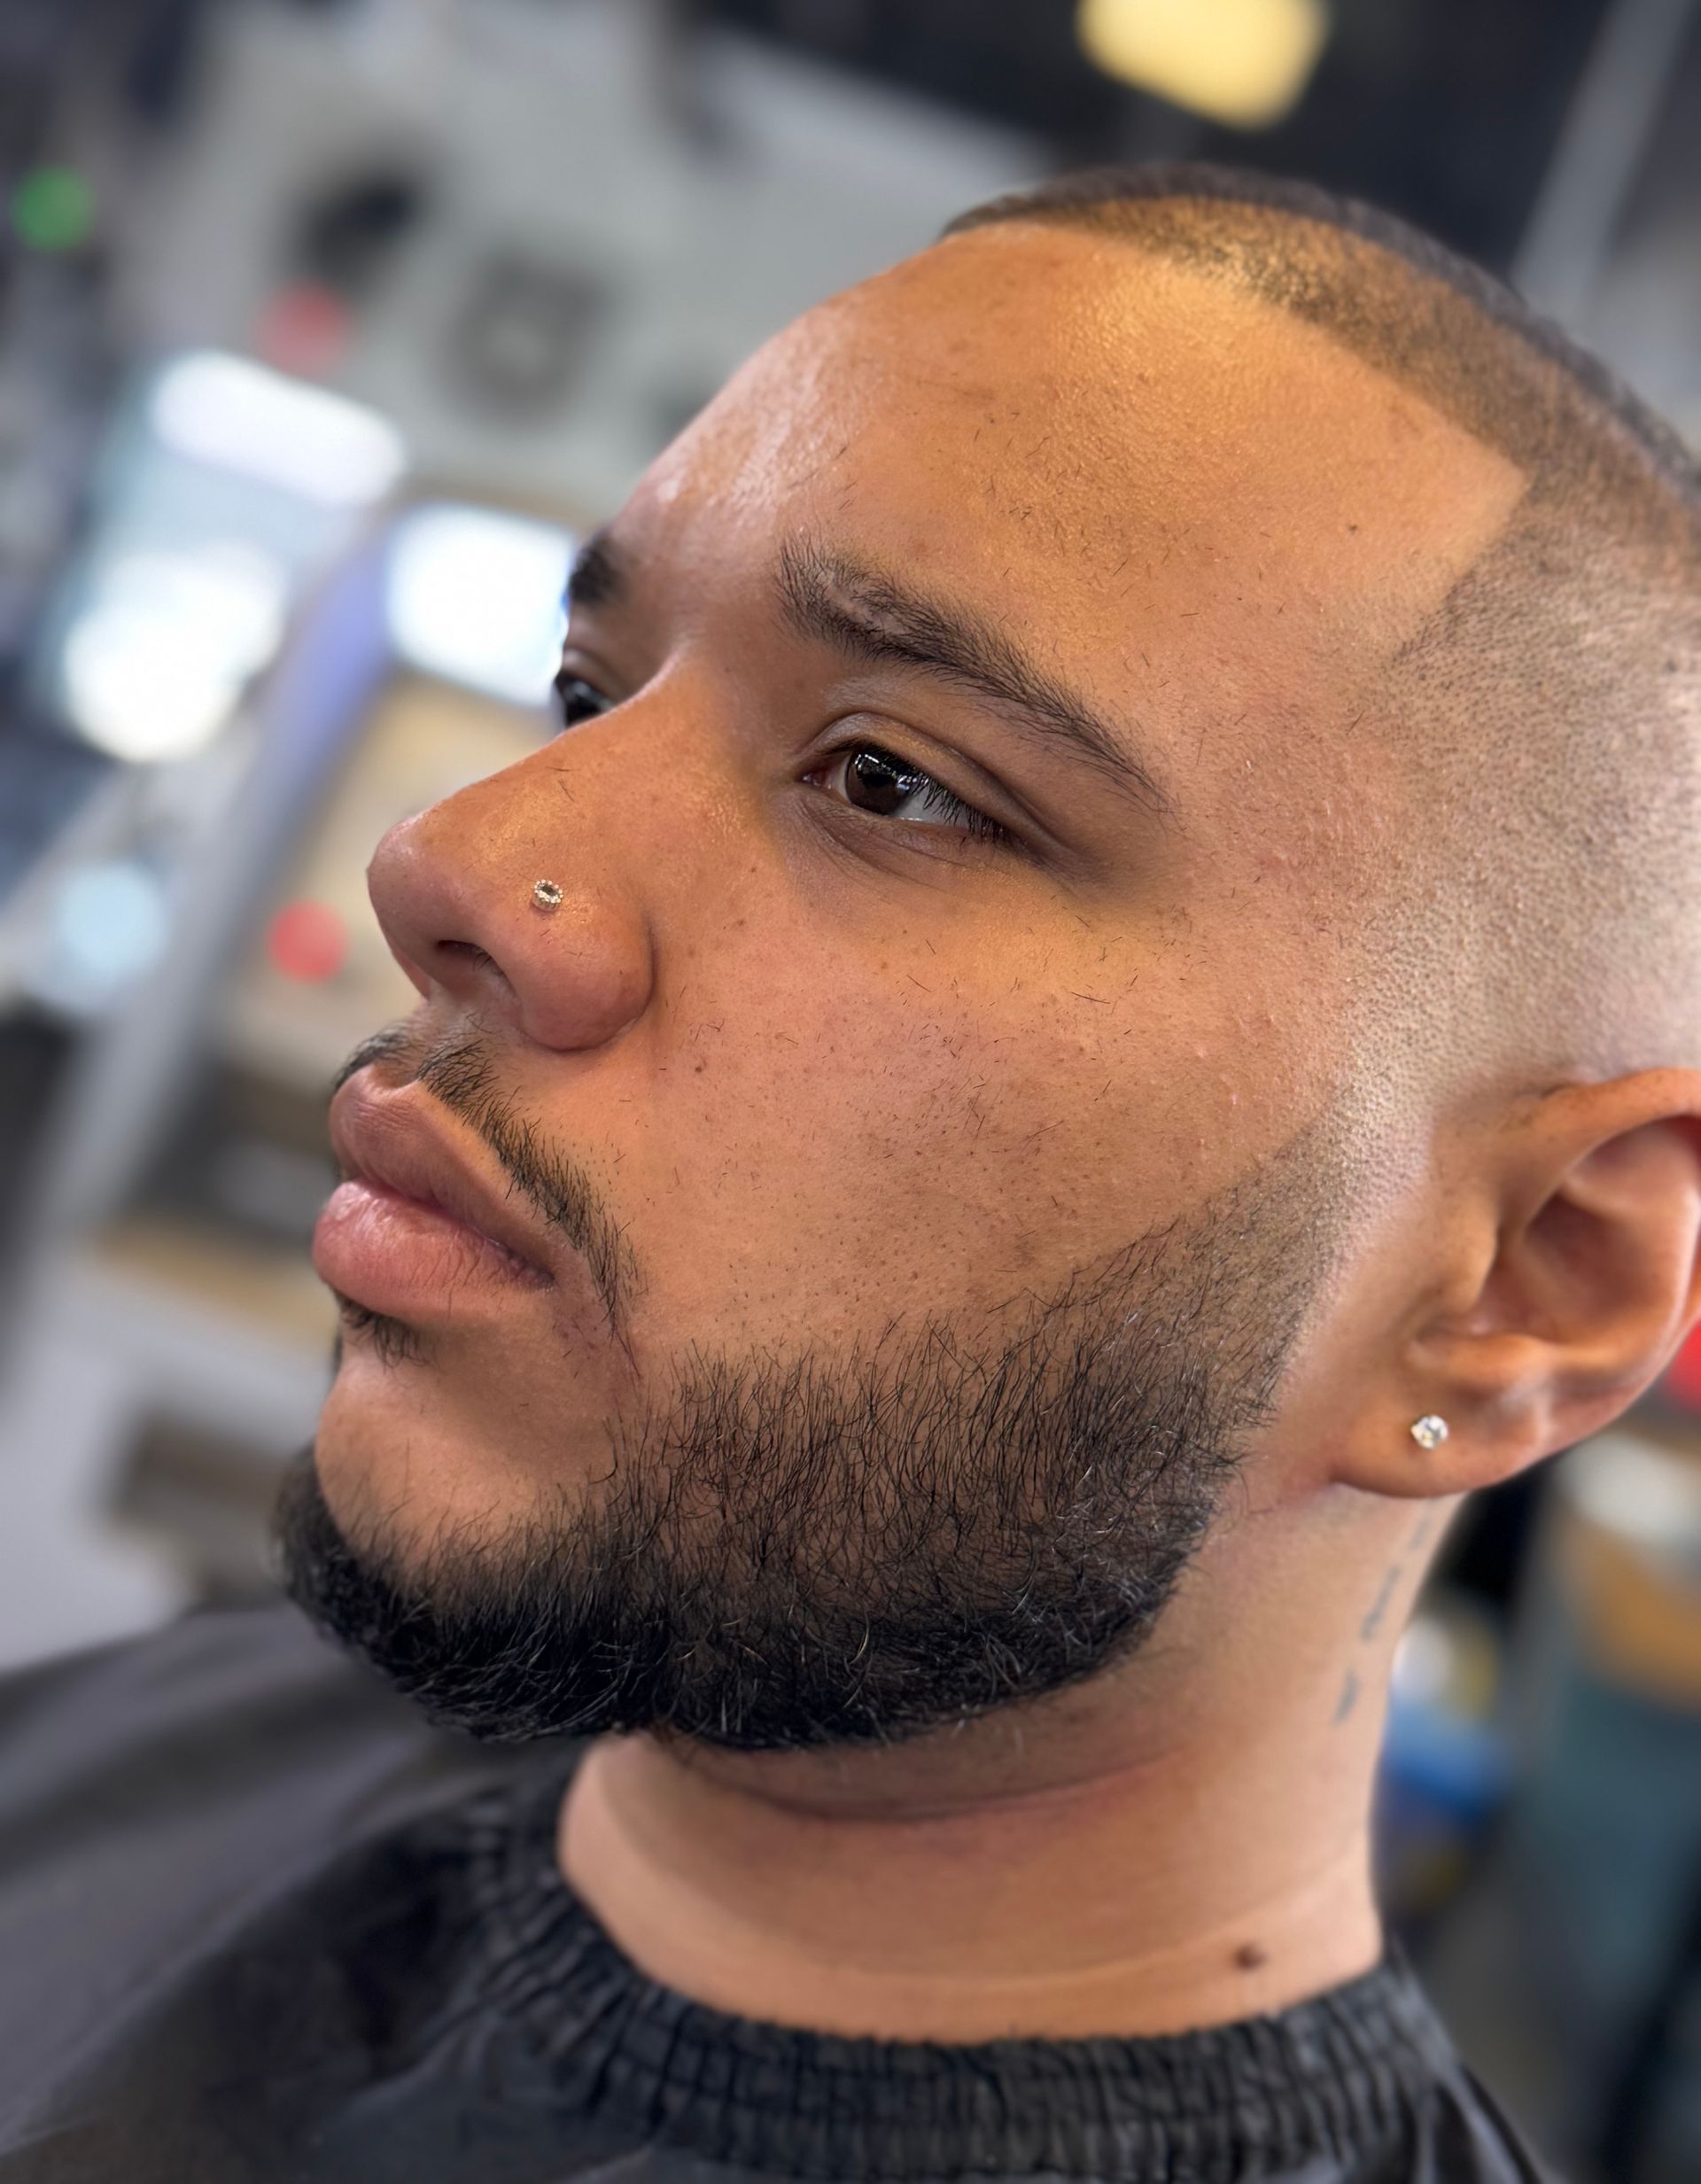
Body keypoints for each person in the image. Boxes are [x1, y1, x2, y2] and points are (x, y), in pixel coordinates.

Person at [2, 162, 1697, 2184]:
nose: (452, 867)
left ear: (1530, 1284)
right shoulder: (169, 1735)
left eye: (896, 781)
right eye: (588, 690)